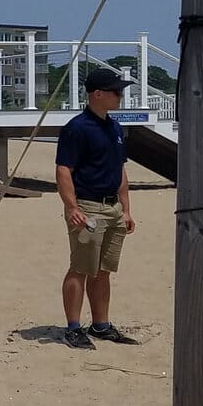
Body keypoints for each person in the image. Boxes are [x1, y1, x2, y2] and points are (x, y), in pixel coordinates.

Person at [53, 66, 137, 349]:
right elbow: (64, 170)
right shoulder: (77, 128)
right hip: (87, 207)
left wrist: (126, 209)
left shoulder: (115, 127)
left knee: (104, 270)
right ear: (97, 94)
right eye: (116, 91)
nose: (121, 95)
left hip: (112, 208)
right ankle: (73, 328)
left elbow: (120, 170)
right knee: (80, 267)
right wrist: (72, 207)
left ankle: (101, 324)